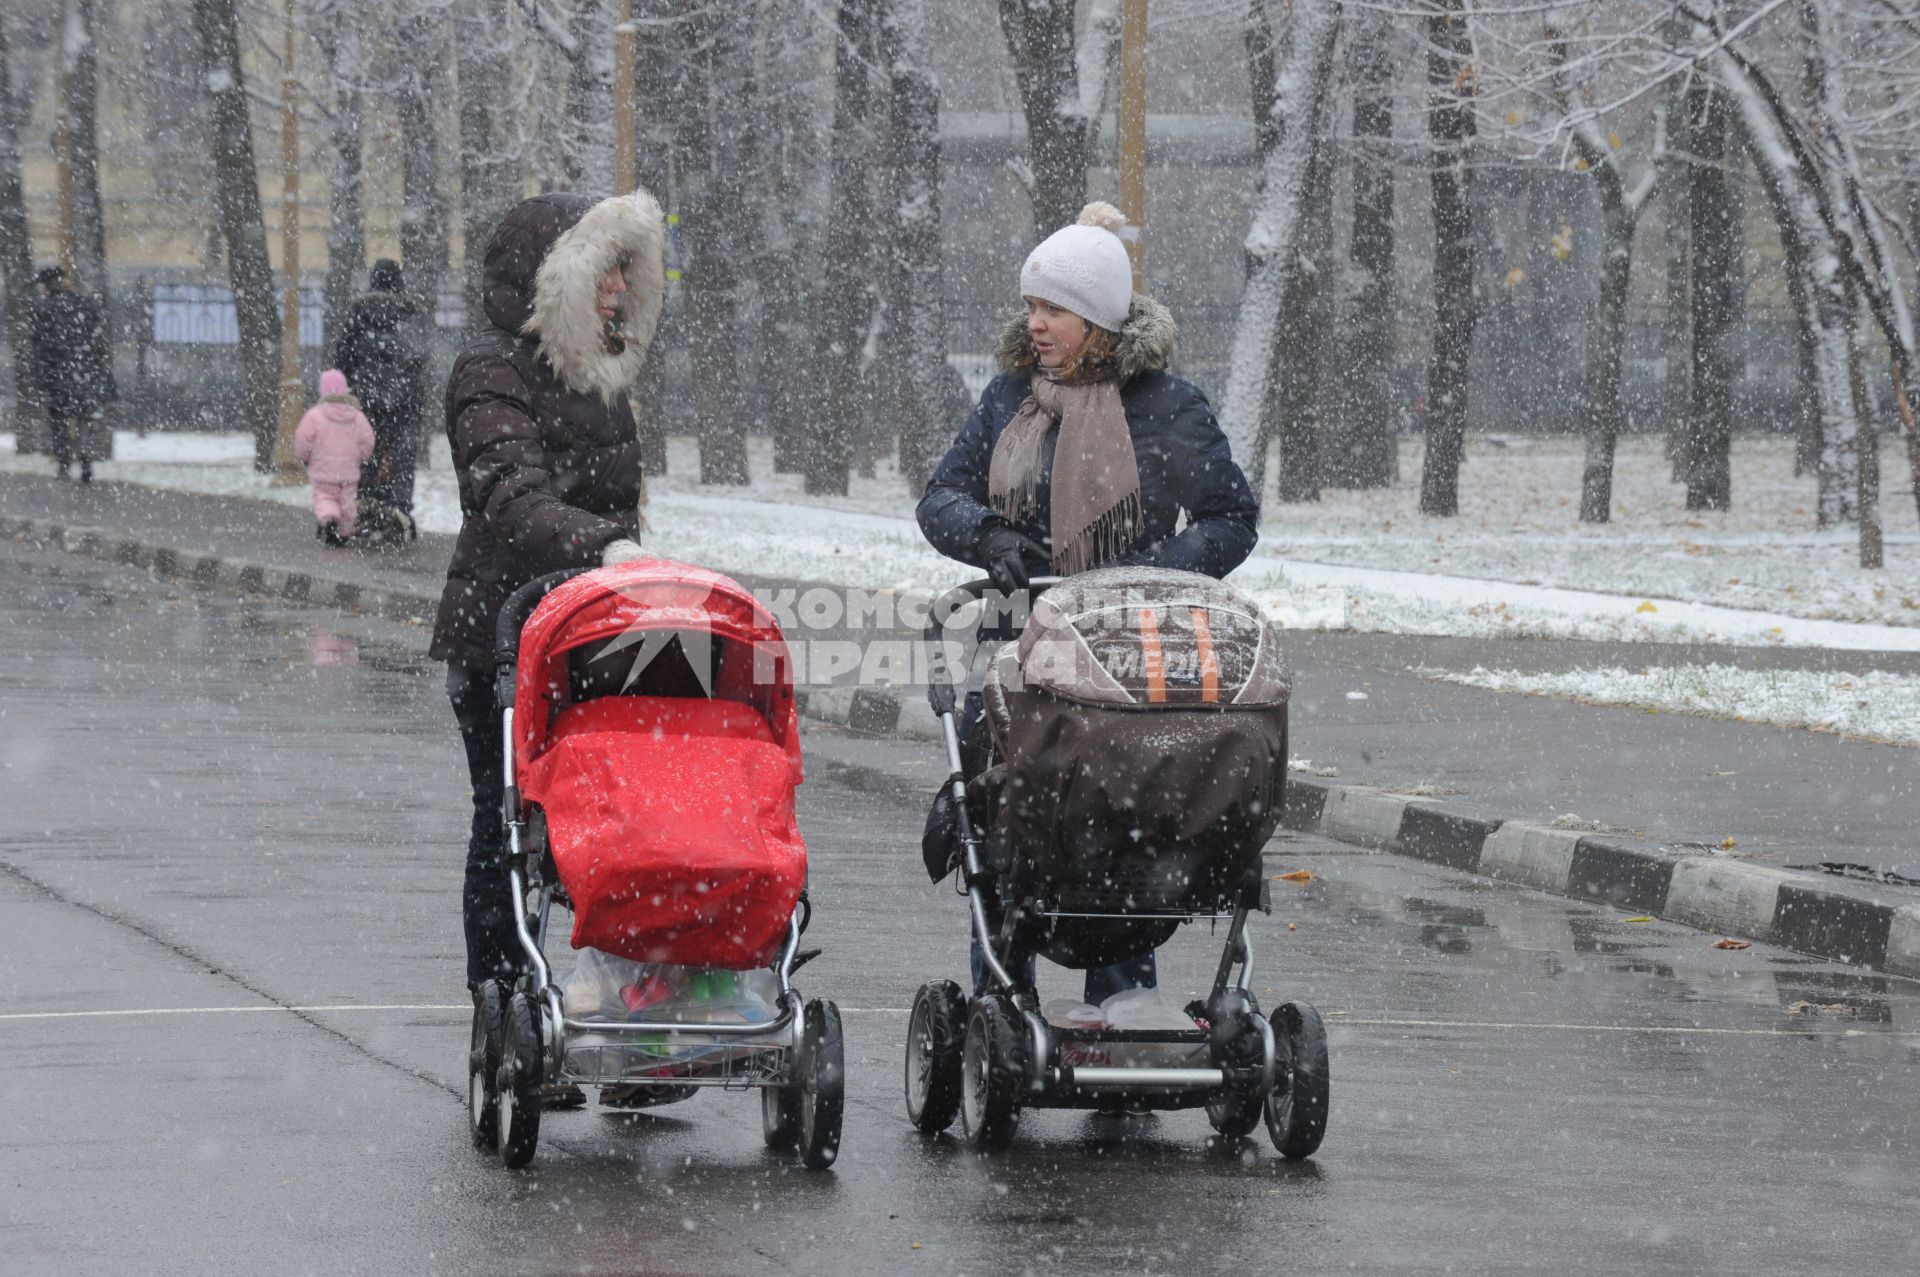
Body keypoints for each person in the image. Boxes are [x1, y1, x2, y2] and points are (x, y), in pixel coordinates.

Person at [916, 201, 1260, 1004]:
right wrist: (992, 538)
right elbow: (941, 498)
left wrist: (1160, 571)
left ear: (1100, 322)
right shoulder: (1011, 399)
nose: (1035, 324)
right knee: (1003, 815)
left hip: (1134, 652)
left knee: (1122, 814)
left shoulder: (1168, 408)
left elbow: (1230, 518)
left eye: (1054, 310)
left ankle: (1123, 999)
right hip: (1019, 652)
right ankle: (1000, 996)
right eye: (1031, 306)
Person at [428, 190, 666, 1000]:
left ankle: (630, 1004)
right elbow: (510, 495)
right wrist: (609, 547)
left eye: (626, 272)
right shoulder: (490, 370)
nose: (617, 289)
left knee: (627, 818)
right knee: (509, 828)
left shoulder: (593, 368)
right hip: (503, 630)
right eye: (605, 270)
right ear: (552, 275)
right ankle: (505, 1004)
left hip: (589, 627)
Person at [331, 258, 428, 523]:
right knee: (402, 453)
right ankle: (398, 505)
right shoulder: (412, 312)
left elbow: (343, 355)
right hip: (405, 397)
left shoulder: (359, 311)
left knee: (364, 448)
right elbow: (420, 356)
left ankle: (365, 499)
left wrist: (347, 386)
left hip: (366, 397)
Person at [28, 265, 114, 483]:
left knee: (59, 418)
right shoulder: (85, 304)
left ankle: (64, 463)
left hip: (57, 373)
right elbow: (98, 340)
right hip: (84, 371)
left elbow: (39, 347)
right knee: (84, 416)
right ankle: (85, 460)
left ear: (46, 286)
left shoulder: (44, 309)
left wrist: (41, 375)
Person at [292, 368, 376, 545]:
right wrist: (360, 456)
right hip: (349, 470)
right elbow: (368, 440)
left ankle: (329, 519)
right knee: (347, 502)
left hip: (323, 470)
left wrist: (305, 456)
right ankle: (344, 533)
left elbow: (303, 439)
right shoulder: (357, 415)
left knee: (324, 497)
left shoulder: (315, 415)